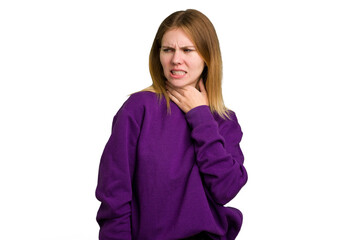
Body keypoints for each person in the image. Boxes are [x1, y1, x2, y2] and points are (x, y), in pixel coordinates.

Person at [95, 9, 248, 240]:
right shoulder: (138, 109)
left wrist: (201, 116)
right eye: (168, 50)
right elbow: (114, 195)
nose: (176, 59)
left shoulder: (222, 120)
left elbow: (226, 188)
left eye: (187, 50)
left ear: (207, 57)